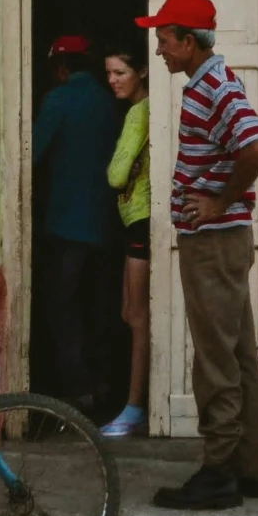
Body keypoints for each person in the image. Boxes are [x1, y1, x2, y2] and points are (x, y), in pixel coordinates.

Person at [136, 0, 258, 510]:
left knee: (216, 361)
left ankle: (218, 472)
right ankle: (250, 469)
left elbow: (256, 146)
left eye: (165, 40)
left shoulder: (212, 85)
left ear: (188, 42)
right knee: (238, 356)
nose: (160, 52)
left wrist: (218, 200)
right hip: (220, 244)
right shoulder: (212, 82)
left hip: (213, 244)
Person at [32, 34, 122, 412]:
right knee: (101, 304)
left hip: (66, 224)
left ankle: (75, 387)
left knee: (63, 305)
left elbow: (32, 153)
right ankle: (103, 383)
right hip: (108, 222)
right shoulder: (112, 102)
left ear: (61, 67)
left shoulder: (58, 99)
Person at [100, 47, 151, 437]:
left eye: (121, 72)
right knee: (132, 315)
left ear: (142, 71)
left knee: (136, 317)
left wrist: (122, 164)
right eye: (109, 73)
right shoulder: (147, 109)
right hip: (140, 221)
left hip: (141, 222)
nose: (113, 80)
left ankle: (134, 408)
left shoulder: (139, 112)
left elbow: (117, 175)